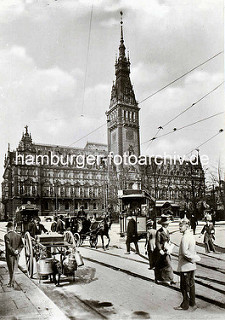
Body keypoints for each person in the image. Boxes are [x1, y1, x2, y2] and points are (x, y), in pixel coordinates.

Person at [174, 218, 200, 310]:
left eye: (181, 226)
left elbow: (185, 252)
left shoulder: (185, 237)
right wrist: (194, 259)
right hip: (191, 266)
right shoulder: (191, 236)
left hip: (185, 265)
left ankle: (185, 305)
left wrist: (193, 258)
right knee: (191, 284)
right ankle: (193, 303)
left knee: (184, 286)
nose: (179, 227)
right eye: (179, 226)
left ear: (187, 226)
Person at [154, 214, 174, 285]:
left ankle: (168, 279)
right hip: (161, 250)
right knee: (163, 264)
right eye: (165, 224)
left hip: (166, 249)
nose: (166, 225)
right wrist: (160, 250)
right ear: (162, 224)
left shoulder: (167, 231)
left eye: (167, 224)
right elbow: (157, 242)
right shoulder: (159, 232)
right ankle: (161, 278)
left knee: (166, 263)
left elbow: (168, 240)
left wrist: (170, 246)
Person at [4, 221, 24, 288]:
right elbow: (21, 245)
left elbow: (8, 246)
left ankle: (11, 283)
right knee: (14, 269)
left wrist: (13, 251)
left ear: (9, 228)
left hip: (9, 255)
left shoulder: (6, 236)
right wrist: (17, 251)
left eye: (7, 227)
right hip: (16, 255)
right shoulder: (18, 236)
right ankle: (12, 282)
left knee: (10, 269)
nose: (7, 229)